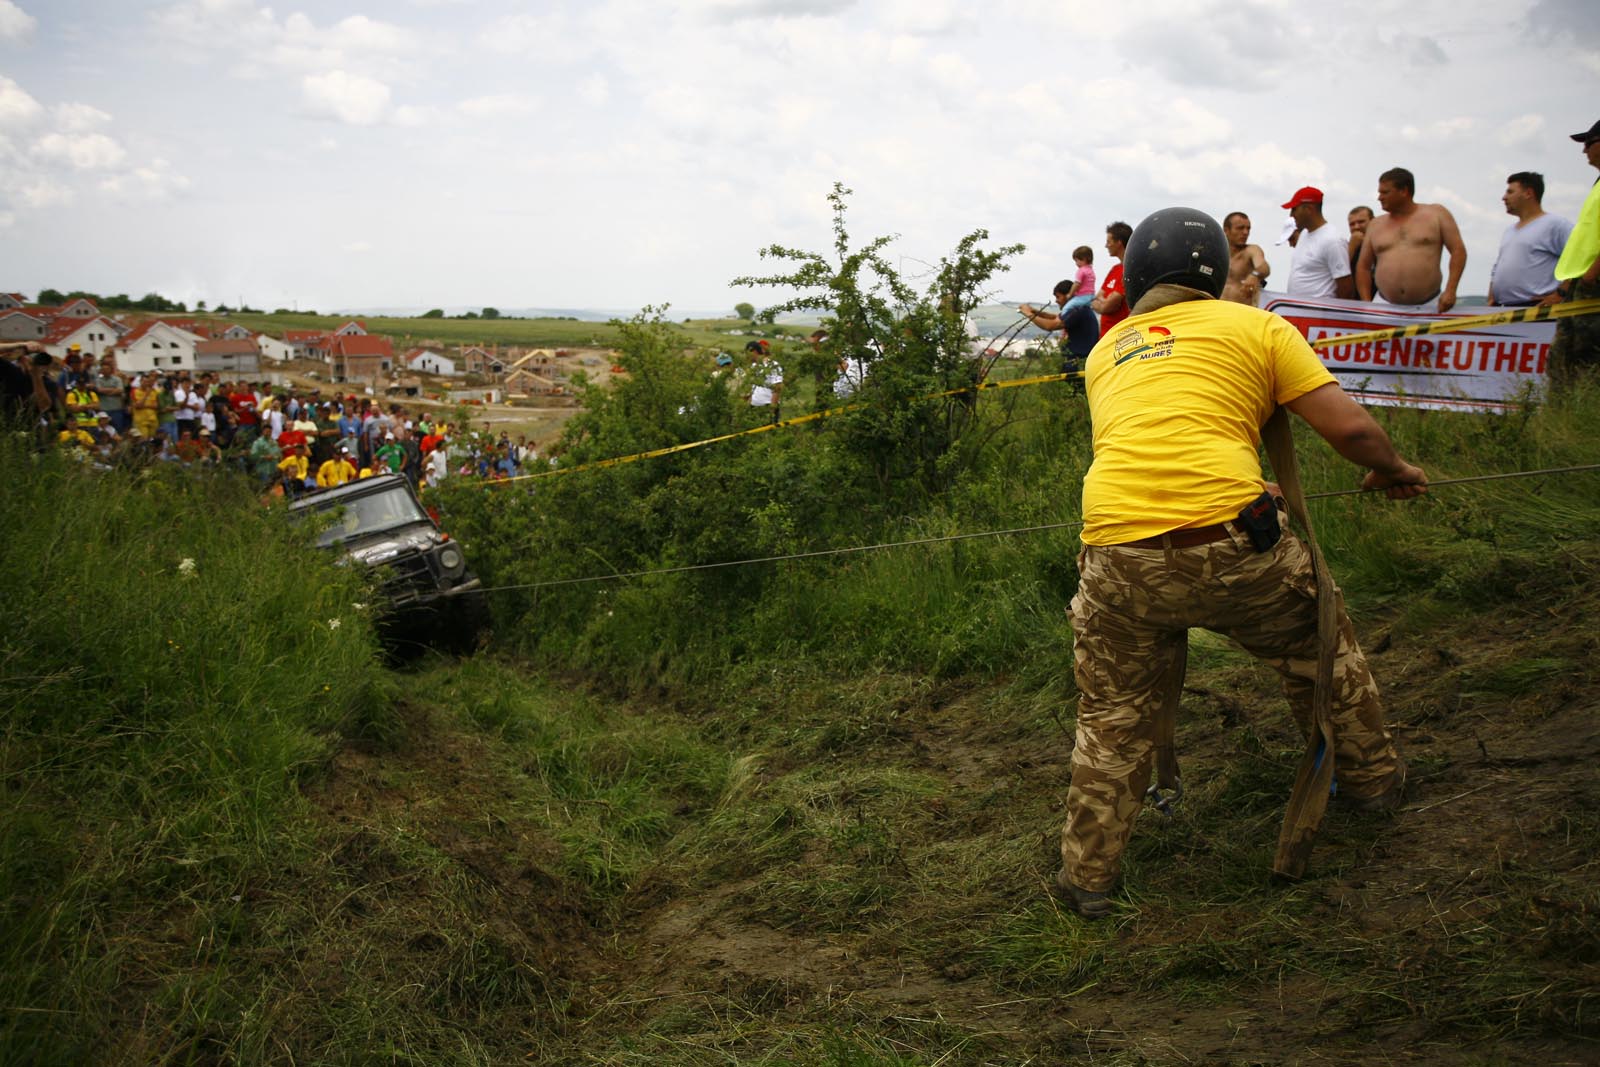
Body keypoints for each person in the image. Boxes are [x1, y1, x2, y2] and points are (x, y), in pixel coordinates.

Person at [1057, 206, 1426, 919]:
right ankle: (1373, 784)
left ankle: (1087, 878)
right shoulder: (1255, 326)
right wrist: (1396, 467)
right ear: (1214, 272)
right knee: (1321, 651)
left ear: (1134, 278)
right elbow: (1348, 428)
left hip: (1114, 557)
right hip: (1234, 547)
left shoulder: (1107, 353)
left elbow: (1156, 442)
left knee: (1111, 713)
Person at [1355, 167, 1467, 312]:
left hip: (1430, 304)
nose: (1379, 197)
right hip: (1384, 305)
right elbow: (1363, 266)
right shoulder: (1376, 225)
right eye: (1379, 192)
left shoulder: (1436, 214)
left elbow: (1458, 251)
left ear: (1404, 191)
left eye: (1385, 192)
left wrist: (1451, 290)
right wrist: (1366, 303)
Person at [1548, 120, 1600, 386]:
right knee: (1562, 359)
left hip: (1592, 284)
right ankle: (1561, 420)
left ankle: (1585, 420)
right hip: (1579, 283)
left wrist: (1591, 275)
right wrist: (1570, 282)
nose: (1584, 152)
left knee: (1587, 359)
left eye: (1588, 144)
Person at [1487, 172, 1573, 308]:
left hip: (1537, 310)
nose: (1504, 198)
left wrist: (1561, 293)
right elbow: (1497, 267)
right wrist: (1492, 295)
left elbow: (1579, 260)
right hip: (1503, 309)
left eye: (1510, 192)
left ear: (1528, 193)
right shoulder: (1509, 231)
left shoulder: (1556, 225)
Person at [1282, 186, 1354, 300]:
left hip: (1320, 313)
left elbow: (1345, 286)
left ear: (1309, 209)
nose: (1291, 215)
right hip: (1299, 311)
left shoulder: (1333, 240)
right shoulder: (1304, 234)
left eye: (1294, 209)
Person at [1019, 280, 1098, 374]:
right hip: (1080, 361)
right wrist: (1034, 311)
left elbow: (1050, 325)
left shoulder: (1077, 311)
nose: (1056, 300)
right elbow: (1055, 317)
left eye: (1058, 297)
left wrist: (1027, 313)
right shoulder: (1079, 309)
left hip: (1078, 363)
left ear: (1069, 295)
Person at [1090, 221, 1132, 337]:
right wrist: (1104, 301)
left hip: (1120, 338)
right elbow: (1097, 298)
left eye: (1109, 241)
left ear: (1119, 243)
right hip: (1105, 337)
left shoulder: (1129, 271)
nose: (1106, 245)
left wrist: (1102, 302)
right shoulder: (1115, 269)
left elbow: (1106, 306)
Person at [1220, 211, 1270, 305]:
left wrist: (1255, 275)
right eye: (1240, 228)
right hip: (1219, 312)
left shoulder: (1251, 250)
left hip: (1243, 312)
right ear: (1226, 230)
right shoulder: (1217, 254)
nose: (1245, 232)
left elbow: (1264, 267)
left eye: (1248, 228)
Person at [1063, 246, 1096, 313]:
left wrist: (1070, 294)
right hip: (1091, 297)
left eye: (1076, 260)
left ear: (1084, 259)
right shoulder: (1091, 270)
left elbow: (1076, 284)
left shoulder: (1081, 270)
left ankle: (1063, 322)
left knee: (1066, 308)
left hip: (1082, 296)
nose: (1076, 263)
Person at [1347, 206, 1374, 283]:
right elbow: (1341, 272)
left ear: (1373, 221)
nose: (1356, 227)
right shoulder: (1346, 248)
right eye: (1352, 224)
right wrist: (1351, 248)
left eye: (1361, 222)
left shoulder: (1383, 243)